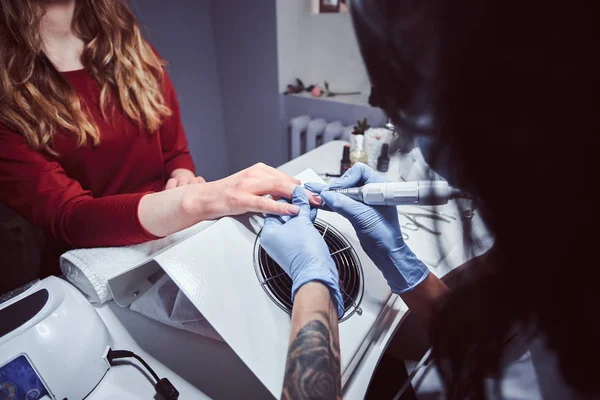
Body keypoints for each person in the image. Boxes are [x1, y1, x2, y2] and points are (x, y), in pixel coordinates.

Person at [260, 0, 598, 398]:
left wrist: (312, 283)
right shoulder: (561, 241)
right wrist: (398, 259)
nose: (385, 103)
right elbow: (478, 339)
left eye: (413, 84)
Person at [0, 0, 320, 294]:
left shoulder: (133, 53)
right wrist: (192, 203)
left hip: (168, 245)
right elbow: (68, 216)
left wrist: (181, 178)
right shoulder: (8, 95)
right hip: (91, 271)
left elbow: (174, 152)